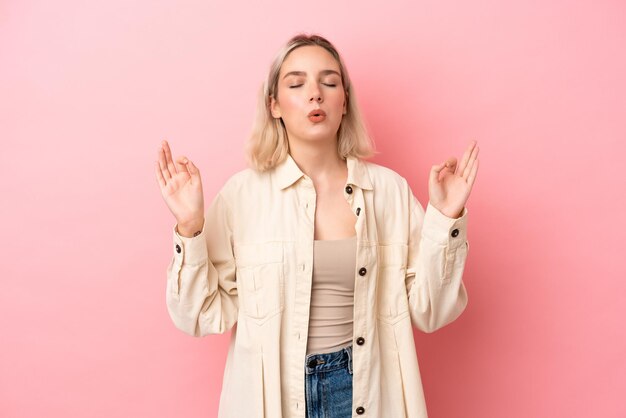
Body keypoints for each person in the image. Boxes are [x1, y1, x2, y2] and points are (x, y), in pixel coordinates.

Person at [155, 33, 479, 418]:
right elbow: (199, 315)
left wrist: (445, 218)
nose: (315, 94)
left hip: (368, 392)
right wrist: (190, 227)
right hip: (276, 399)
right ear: (274, 105)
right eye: (296, 83)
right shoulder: (241, 196)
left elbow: (432, 311)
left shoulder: (388, 192)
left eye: (329, 82)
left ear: (344, 102)